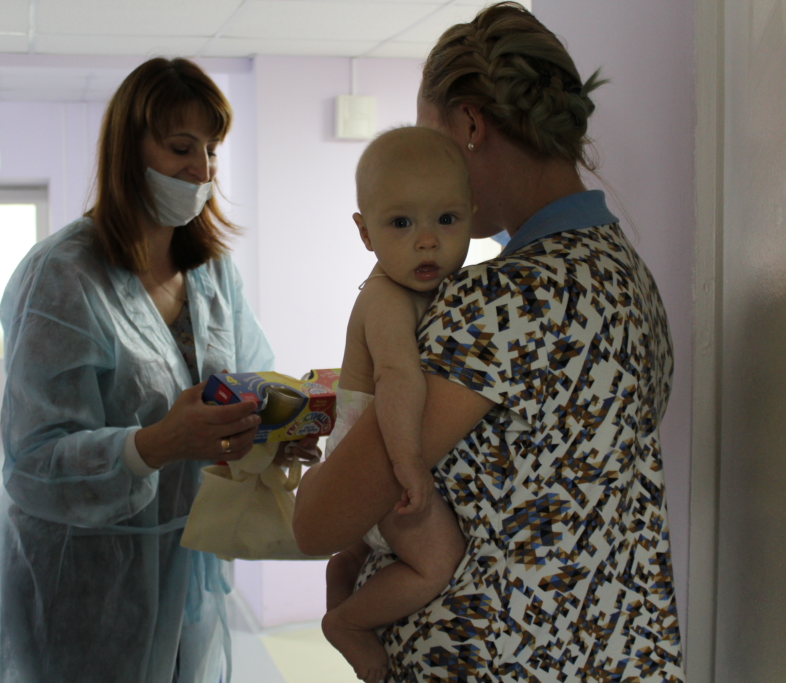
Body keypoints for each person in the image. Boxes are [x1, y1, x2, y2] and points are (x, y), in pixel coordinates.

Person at [294, 3, 687, 682]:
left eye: (429, 143)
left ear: (470, 126)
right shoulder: (628, 277)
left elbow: (320, 522)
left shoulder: (500, 299)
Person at [0, 58, 316, 683]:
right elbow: (34, 462)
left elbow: (251, 380)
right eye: (181, 148)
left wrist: (280, 427)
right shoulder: (63, 276)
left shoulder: (211, 273)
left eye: (211, 150)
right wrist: (155, 445)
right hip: (86, 583)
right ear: (128, 152)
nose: (202, 170)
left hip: (189, 574)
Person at [321, 126, 470, 683]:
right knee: (436, 561)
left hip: (370, 435)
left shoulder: (431, 289)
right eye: (401, 223)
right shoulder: (387, 295)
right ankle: (348, 625)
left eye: (446, 219)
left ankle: (343, 577)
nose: (426, 241)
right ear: (365, 232)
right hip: (383, 445)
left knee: (358, 553)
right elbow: (397, 377)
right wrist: (408, 462)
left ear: (473, 216)